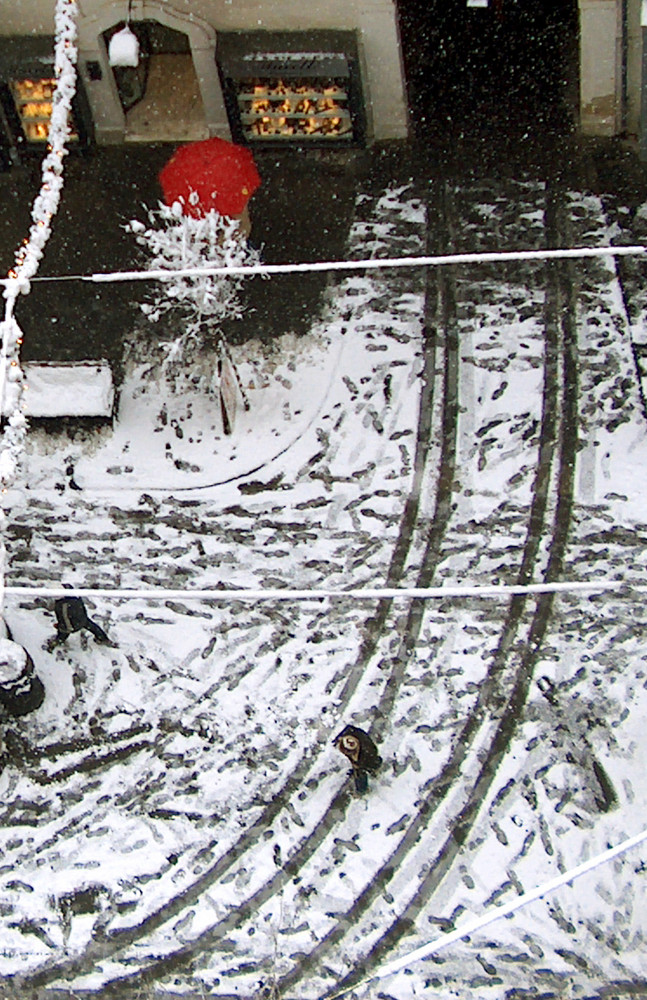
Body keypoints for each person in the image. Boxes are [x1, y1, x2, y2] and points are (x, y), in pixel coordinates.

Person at [333, 724, 382, 794]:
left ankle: (362, 791)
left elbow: (363, 764)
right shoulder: (349, 733)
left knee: (361, 772)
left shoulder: (367, 752)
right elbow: (349, 727)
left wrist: (358, 767)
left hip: (370, 759)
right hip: (364, 753)